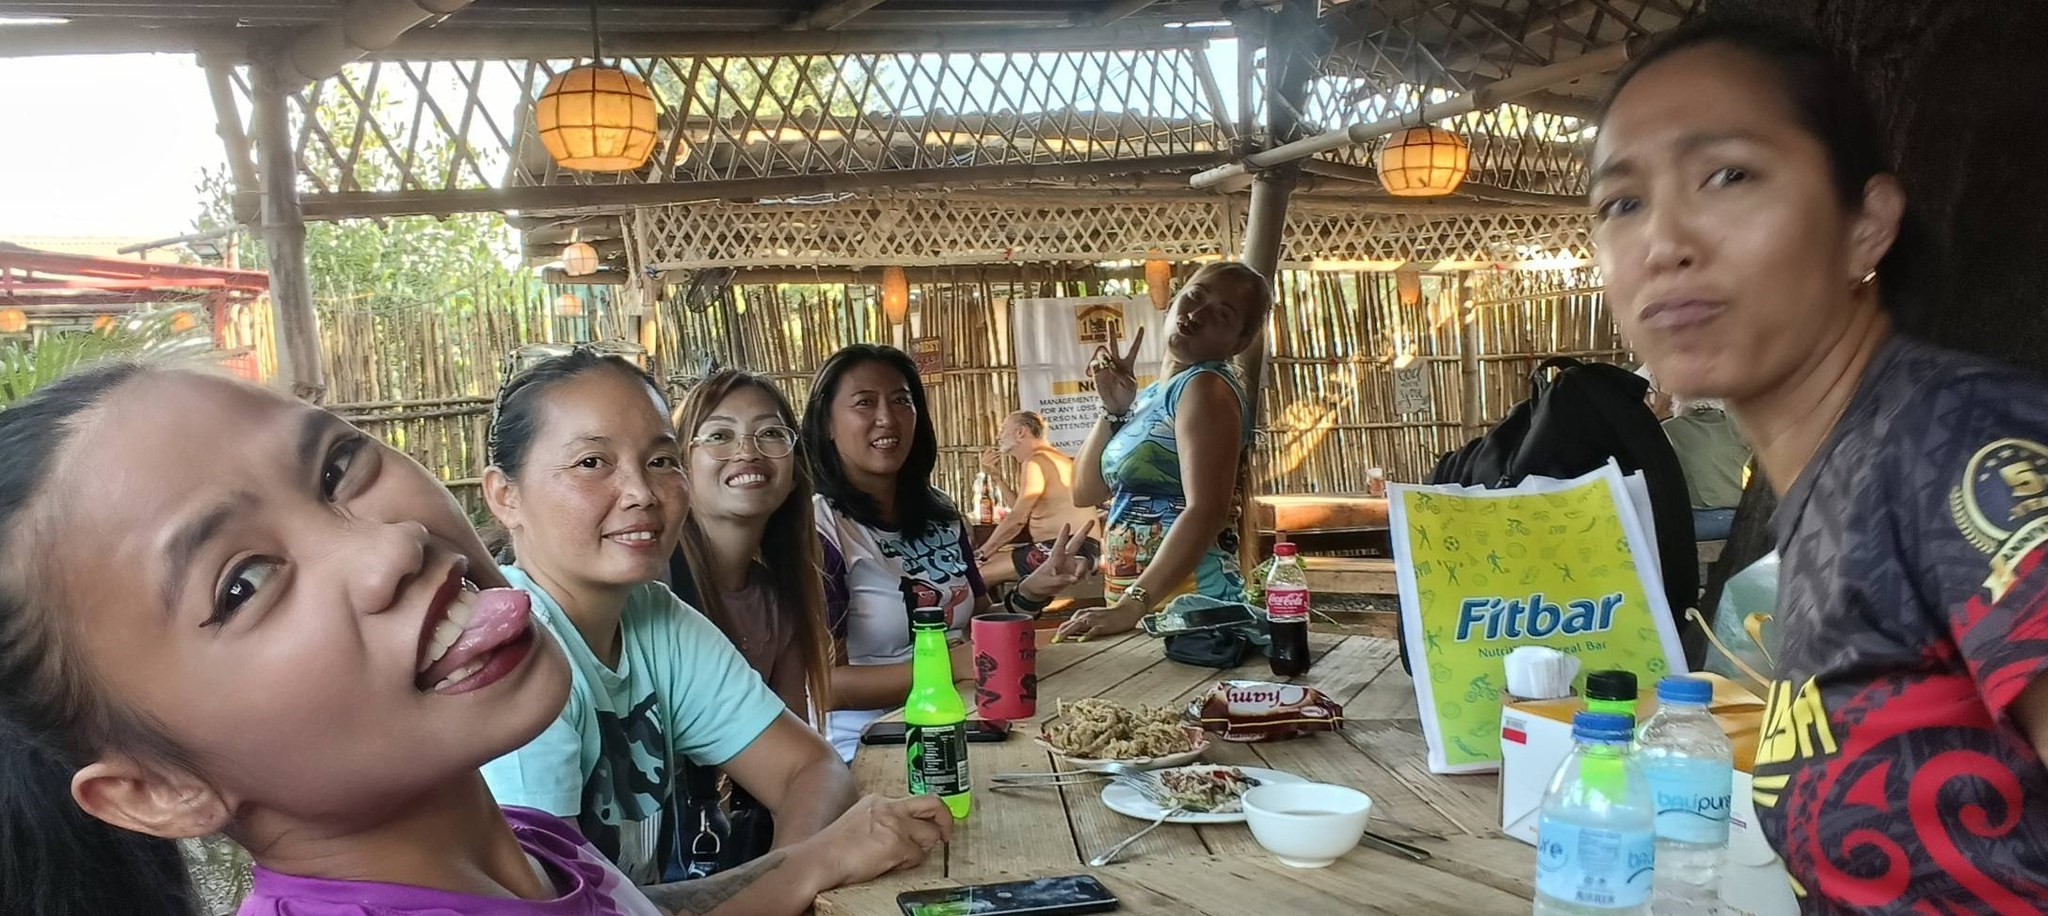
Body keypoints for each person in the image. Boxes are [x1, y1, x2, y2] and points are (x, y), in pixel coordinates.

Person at [0, 365, 951, 916]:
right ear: (157, 790)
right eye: (241, 584)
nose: (389, 546)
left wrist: (815, 859)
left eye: (336, 467)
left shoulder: (524, 843)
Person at [1594, 16, 2048, 912]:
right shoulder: (1836, 480)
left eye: (1729, 175)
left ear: (1865, 226)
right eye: (1622, 203)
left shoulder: (1957, 447)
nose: (1663, 241)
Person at [477, 348, 944, 909]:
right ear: (505, 496)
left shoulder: (653, 618)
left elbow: (810, 766)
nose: (642, 493)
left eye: (660, 461)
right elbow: (573, 910)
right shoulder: (509, 659)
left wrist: (794, 870)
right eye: (592, 463)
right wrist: (810, 866)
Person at [805, 344, 1094, 760]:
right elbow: (823, 687)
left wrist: (1032, 591)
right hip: (874, 746)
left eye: (901, 401)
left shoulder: (939, 512)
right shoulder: (821, 528)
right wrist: (946, 666)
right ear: (827, 423)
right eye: (864, 403)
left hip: (970, 721)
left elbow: (978, 628)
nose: (887, 417)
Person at [1056, 262, 1275, 642]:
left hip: (1190, 606)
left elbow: (1206, 510)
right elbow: (1085, 492)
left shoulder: (1206, 388)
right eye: (1195, 296)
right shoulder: (1152, 396)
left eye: (1222, 315)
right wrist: (1114, 410)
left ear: (1239, 343)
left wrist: (1133, 604)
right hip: (1143, 606)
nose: (1198, 314)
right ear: (1174, 301)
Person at [670, 369, 833, 722]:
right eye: (719, 435)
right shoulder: (655, 589)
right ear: (681, 467)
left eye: (770, 433)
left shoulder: (778, 601)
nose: (747, 451)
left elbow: (796, 742)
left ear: (795, 473)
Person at [972, 411, 1103, 587]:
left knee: (978, 575)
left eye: (1003, 430)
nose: (998, 436)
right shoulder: (1053, 458)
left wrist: (981, 554)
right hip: (1078, 548)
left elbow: (1018, 519)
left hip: (1070, 549)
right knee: (987, 564)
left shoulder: (1036, 461)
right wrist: (996, 477)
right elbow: (1022, 511)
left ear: (1020, 432)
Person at [1660, 397, 1750, 540]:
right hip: (1746, 516)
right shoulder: (1739, 425)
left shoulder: (1670, 429)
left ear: (1679, 404)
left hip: (1705, 518)